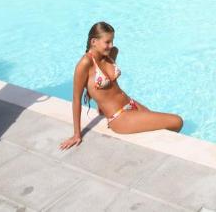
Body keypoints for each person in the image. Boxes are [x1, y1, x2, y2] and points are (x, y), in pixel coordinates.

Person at [59, 21, 183, 150]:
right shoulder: (85, 63)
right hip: (119, 116)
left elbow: (109, 84)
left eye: (112, 41)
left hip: (131, 103)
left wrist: (100, 102)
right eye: (107, 42)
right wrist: (76, 134)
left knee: (165, 128)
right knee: (176, 121)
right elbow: (76, 99)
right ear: (94, 41)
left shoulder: (111, 53)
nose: (111, 45)